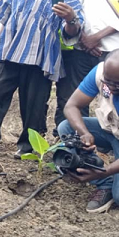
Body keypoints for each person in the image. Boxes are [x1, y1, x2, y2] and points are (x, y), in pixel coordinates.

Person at [0, 0, 83, 159]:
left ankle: (26, 147)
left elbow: (73, 32)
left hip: (41, 57)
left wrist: (70, 18)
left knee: (34, 103)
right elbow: (5, 18)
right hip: (10, 52)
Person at [55, 0, 119, 135]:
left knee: (112, 97)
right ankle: (81, 142)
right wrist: (83, 37)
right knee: (76, 96)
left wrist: (96, 38)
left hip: (114, 50)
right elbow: (76, 6)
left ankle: (111, 143)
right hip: (82, 47)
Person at [57, 50, 119, 213]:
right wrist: (84, 133)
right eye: (108, 82)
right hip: (112, 131)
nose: (111, 88)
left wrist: (103, 171)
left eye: (117, 84)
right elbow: (71, 106)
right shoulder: (100, 72)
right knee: (67, 127)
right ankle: (105, 184)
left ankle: (107, 179)